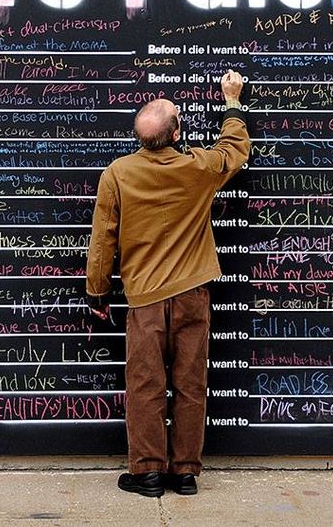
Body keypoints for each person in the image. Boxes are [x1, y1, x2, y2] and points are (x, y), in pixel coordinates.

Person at [86, 70, 250, 497]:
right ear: (176, 132)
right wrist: (231, 101)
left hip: (144, 301)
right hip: (193, 295)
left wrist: (97, 291)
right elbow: (234, 150)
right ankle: (186, 472)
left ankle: (148, 472)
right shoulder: (197, 168)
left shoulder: (117, 174)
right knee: (191, 384)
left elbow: (102, 239)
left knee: (145, 385)